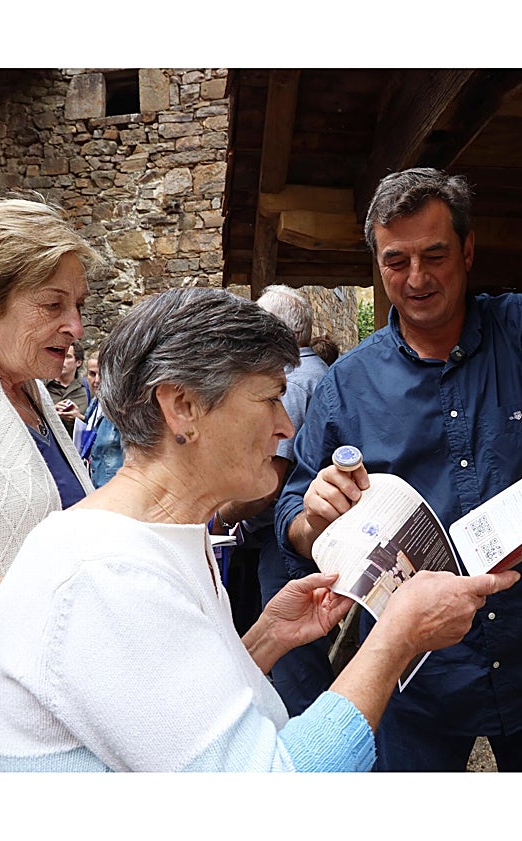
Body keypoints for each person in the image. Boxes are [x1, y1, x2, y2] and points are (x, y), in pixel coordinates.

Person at [0, 287, 519, 772]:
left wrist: (263, 641)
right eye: (269, 397)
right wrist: (395, 638)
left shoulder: (159, 540)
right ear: (183, 405)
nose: (285, 426)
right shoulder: (107, 578)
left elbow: (167, 725)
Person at [275, 167, 522, 772]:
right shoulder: (346, 384)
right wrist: (313, 518)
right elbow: (293, 512)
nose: (417, 278)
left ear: (468, 248)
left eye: (435, 254)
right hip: (414, 678)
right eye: (396, 261)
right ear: (377, 264)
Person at [0, 197, 102, 771]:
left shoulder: (30, 392)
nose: (76, 328)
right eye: (52, 305)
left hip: (45, 726)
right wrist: (5, 595)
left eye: (78, 305)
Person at [214, 284, 332, 712]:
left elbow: (272, 481)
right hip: (304, 533)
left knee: (295, 667)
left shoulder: (294, 384)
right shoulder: (318, 374)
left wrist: (220, 518)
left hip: (284, 540)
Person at [80, 348, 123, 488]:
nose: (97, 380)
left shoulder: (122, 409)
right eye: (92, 374)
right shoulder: (94, 404)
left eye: (102, 374)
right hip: (92, 484)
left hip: (114, 487)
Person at [45, 339, 89, 437]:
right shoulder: (42, 387)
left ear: (78, 362)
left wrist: (79, 417)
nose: (61, 360)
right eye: (59, 355)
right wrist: (51, 412)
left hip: (77, 447)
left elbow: (95, 425)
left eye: (67, 357)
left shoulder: (88, 389)